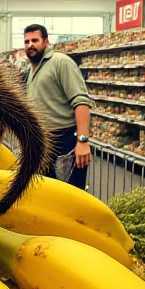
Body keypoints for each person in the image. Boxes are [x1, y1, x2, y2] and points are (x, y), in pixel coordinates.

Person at [23, 23, 94, 190]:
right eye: (27, 42)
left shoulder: (60, 62)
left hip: (65, 141)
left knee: (70, 195)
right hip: (44, 143)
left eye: (35, 40)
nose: (30, 45)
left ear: (46, 42)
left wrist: (82, 141)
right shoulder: (33, 69)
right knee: (49, 196)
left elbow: (81, 101)